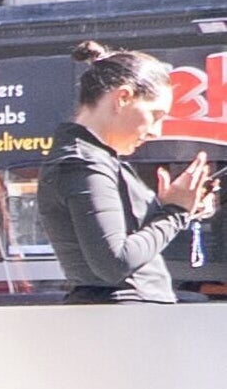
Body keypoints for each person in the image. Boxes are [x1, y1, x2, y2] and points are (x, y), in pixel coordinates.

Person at [39, 42, 219, 304]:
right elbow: (115, 263)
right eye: (155, 115)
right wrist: (176, 212)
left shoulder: (91, 159)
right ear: (123, 98)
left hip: (126, 318)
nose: (156, 131)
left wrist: (174, 208)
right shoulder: (83, 163)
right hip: (124, 321)